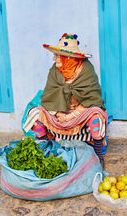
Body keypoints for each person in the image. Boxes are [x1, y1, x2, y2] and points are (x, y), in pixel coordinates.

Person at [23, 33, 108, 167]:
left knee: (96, 116)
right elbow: (50, 95)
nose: (54, 58)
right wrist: (58, 113)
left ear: (69, 57)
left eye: (58, 56)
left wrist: (71, 116)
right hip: (60, 110)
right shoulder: (55, 71)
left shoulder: (86, 70)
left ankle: (98, 157)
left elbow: (92, 98)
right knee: (34, 114)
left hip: (81, 111)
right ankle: (47, 149)